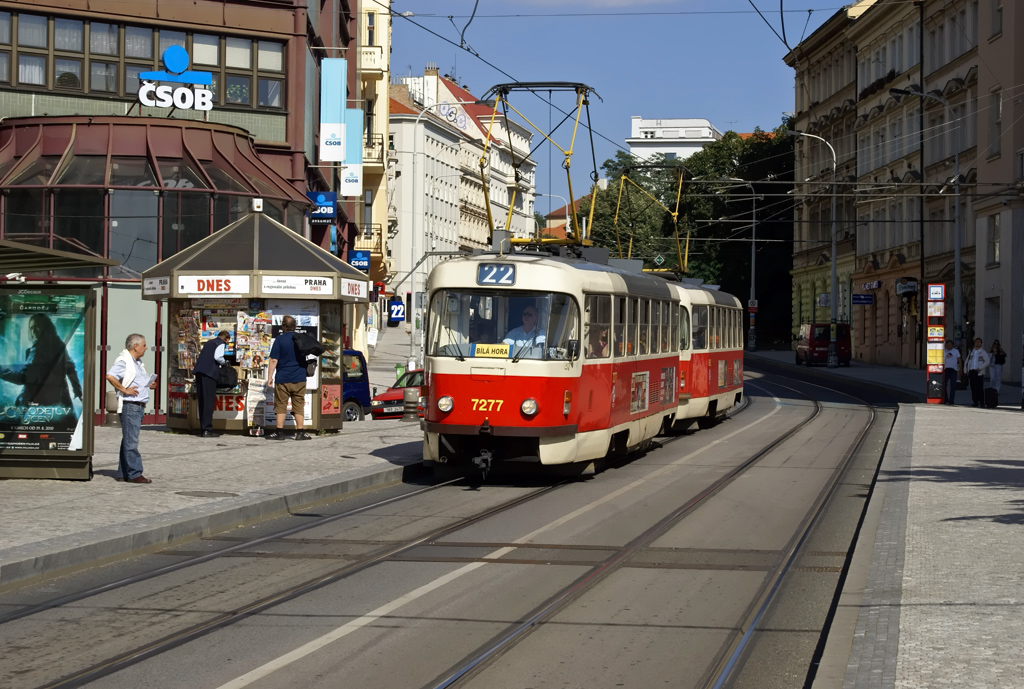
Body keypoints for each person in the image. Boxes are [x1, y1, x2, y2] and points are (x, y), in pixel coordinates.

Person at [0, 313, 83, 411]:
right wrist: (77, 389)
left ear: (45, 327)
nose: (34, 330)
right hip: (59, 401)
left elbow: (23, 378)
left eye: (37, 326)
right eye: (31, 327)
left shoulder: (39, 347)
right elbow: (70, 368)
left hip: (39, 403)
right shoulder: (59, 344)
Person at [105, 333, 157, 483]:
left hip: (138, 405)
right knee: (131, 442)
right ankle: (135, 473)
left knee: (128, 440)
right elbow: (110, 376)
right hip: (131, 406)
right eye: (144, 345)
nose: (146, 348)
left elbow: (137, 381)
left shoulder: (137, 362)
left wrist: (149, 385)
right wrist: (124, 389)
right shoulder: (124, 361)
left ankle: (123, 473)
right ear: (136, 346)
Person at [266, 315, 310, 440]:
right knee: (299, 405)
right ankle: (300, 432)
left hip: (283, 378)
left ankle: (279, 432)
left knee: (280, 405)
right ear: (295, 326)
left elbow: (274, 360)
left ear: (283, 326)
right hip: (300, 377)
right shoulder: (300, 338)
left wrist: (270, 377)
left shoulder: (280, 339)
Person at [194, 330, 230, 438]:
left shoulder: (209, 342)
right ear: (226, 339)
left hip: (199, 373)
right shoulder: (220, 343)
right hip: (209, 374)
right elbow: (218, 357)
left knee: (202, 401)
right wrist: (225, 363)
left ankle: (203, 428)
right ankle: (207, 429)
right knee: (209, 402)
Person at [963, 337, 990, 408]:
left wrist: (980, 368)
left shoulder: (983, 352)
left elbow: (987, 361)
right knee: (973, 388)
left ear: (981, 344)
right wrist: (965, 370)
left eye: (979, 342)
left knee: (980, 388)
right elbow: (967, 361)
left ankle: (981, 402)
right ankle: (975, 402)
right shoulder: (971, 351)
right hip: (971, 371)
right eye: (976, 342)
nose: (977, 343)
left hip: (978, 372)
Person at [942, 339, 961, 406]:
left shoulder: (955, 351)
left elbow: (959, 360)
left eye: (949, 345)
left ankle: (951, 400)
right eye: (947, 345)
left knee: (952, 386)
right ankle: (946, 398)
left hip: (953, 370)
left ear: (952, 345)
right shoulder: (944, 351)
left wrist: (960, 370)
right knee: (944, 385)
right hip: (946, 369)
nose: (948, 346)